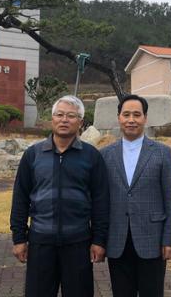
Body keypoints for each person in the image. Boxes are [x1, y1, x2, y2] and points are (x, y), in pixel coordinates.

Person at [10, 95, 109, 297]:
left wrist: (99, 240)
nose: (64, 120)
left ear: (80, 122)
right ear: (52, 119)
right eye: (59, 114)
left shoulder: (91, 156)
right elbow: (20, 198)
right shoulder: (33, 154)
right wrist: (19, 238)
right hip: (40, 242)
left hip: (78, 243)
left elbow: (101, 201)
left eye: (71, 116)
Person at [101, 94, 171, 297]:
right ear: (118, 117)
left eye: (137, 114)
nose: (131, 120)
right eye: (126, 114)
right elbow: (100, 201)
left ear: (145, 118)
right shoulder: (105, 154)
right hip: (117, 239)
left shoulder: (162, 152)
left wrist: (170, 238)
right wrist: (99, 240)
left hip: (152, 239)